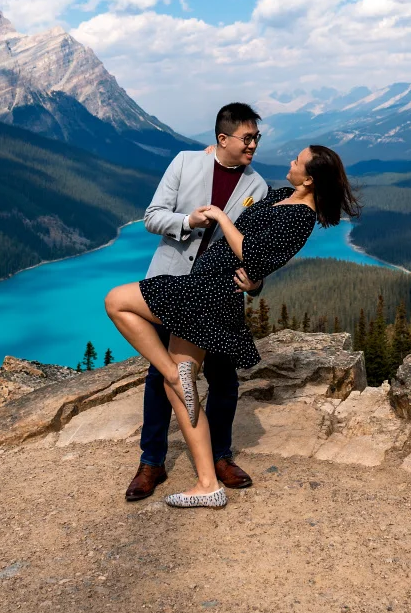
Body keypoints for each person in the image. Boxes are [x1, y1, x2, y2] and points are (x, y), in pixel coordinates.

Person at [105, 143, 359, 508]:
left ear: (309, 179)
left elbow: (255, 257)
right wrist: (213, 152)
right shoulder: (285, 196)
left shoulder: (300, 216)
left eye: (296, 161)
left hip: (210, 291)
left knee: (117, 301)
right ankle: (207, 483)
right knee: (179, 386)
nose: (289, 161)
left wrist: (224, 221)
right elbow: (258, 253)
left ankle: (202, 462)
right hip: (209, 286)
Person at [124, 103, 272, 503]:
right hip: (169, 284)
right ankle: (151, 461)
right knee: (161, 377)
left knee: (223, 378)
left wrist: (254, 283)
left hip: (218, 294)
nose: (253, 145)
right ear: (222, 139)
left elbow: (256, 251)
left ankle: (221, 457)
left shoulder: (258, 188)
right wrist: (187, 221)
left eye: (257, 137)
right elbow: (152, 217)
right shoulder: (186, 162)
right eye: (247, 138)